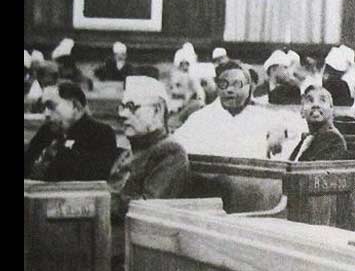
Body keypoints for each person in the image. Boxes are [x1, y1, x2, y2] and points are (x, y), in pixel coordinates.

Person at [172, 61, 306, 159]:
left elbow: (292, 133)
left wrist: (279, 134)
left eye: (237, 84)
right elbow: (176, 147)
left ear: (249, 88)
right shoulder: (199, 118)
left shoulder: (266, 117)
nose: (230, 90)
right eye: (224, 84)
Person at [107, 76, 189, 219]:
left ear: (157, 110)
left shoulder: (171, 152)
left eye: (132, 107)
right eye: (123, 107)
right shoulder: (134, 148)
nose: (123, 114)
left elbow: (148, 208)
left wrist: (98, 203)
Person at [24, 81, 117, 181]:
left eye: (51, 106)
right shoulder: (46, 131)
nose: (46, 113)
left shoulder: (100, 133)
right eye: (44, 107)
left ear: (75, 106)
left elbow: (93, 176)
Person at [287, 86, 349, 162]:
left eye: (322, 100)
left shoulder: (333, 140)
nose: (315, 105)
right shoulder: (307, 139)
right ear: (302, 112)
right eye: (310, 100)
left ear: (331, 110)